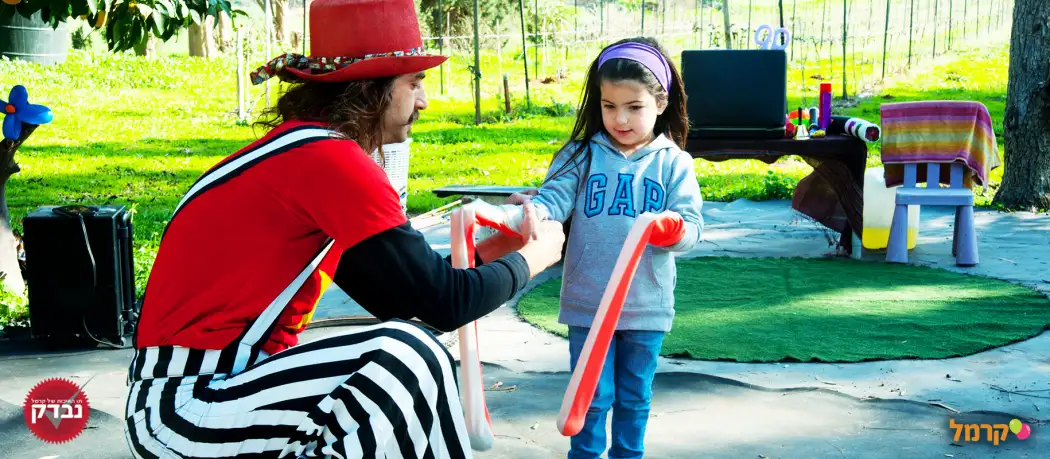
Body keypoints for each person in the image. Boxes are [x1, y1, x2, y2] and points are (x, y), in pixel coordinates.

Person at [122, 0, 565, 457]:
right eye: (414, 83)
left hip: (221, 395)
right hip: (186, 410)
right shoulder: (328, 160)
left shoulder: (306, 154)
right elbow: (445, 304)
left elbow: (406, 297)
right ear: (372, 89)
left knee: (404, 357)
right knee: (404, 357)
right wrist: (535, 257)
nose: (423, 101)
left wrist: (499, 249)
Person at [505, 37, 704, 459]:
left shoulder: (673, 163)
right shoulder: (581, 155)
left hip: (646, 304)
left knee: (634, 396)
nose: (620, 118)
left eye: (634, 107)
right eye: (609, 106)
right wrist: (530, 211)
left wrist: (671, 229)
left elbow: (692, 228)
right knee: (590, 397)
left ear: (661, 103)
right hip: (590, 302)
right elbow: (554, 199)